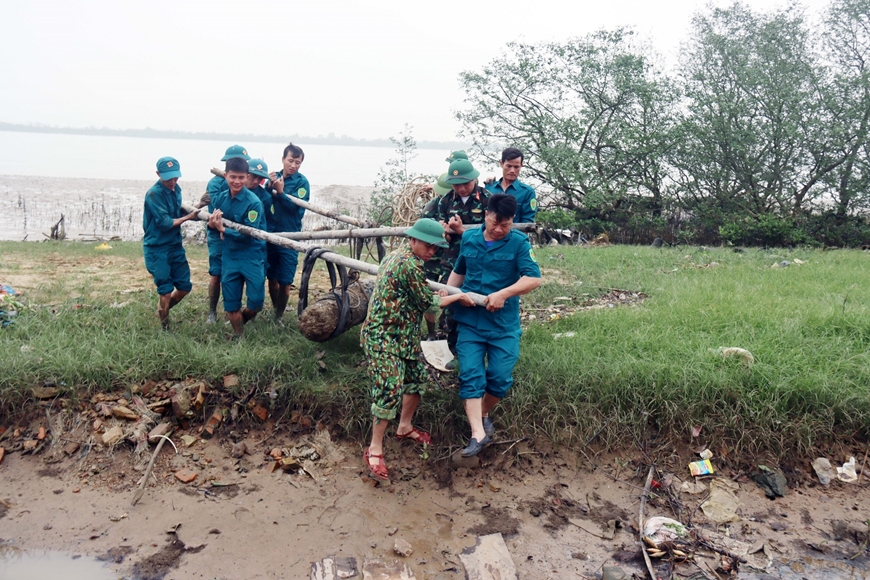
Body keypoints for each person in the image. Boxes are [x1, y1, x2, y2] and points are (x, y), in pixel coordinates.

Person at [360, 218, 474, 482]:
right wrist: (456, 296)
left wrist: (440, 297)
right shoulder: (408, 265)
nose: (431, 252)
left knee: (416, 380)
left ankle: (404, 426)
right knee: (389, 388)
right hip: (383, 337)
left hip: (402, 335)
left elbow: (420, 298)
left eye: (436, 248)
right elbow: (429, 305)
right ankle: (374, 449)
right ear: (413, 239)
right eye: (427, 245)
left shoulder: (397, 255)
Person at [446, 194, 542, 457]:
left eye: (506, 225)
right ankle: (477, 433)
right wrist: (448, 294)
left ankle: (484, 411)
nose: (499, 229)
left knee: (499, 379)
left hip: (503, 325)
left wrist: (503, 294)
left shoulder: (519, 243)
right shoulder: (469, 238)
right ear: (485, 215)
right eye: (495, 223)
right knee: (471, 376)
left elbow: (533, 279)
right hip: (470, 322)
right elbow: (460, 271)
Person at [434, 158, 490, 352]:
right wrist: (445, 232)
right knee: (449, 297)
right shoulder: (446, 201)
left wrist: (461, 231)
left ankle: (479, 343)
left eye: (466, 183)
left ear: (475, 179)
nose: (462, 189)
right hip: (452, 258)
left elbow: (491, 234)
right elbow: (442, 237)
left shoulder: (487, 199)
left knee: (478, 298)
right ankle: (452, 345)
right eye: (457, 185)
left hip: (479, 258)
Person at [207, 157, 266, 338]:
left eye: (241, 177)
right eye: (233, 177)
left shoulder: (254, 202)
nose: (237, 181)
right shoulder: (220, 199)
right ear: (225, 176)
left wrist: (223, 229)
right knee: (231, 304)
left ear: (247, 177)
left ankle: (242, 320)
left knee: (256, 302)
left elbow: (250, 232)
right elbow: (212, 226)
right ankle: (238, 336)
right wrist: (212, 225)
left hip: (251, 255)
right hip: (230, 256)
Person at [142, 157, 199, 330]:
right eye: (168, 178)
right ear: (158, 174)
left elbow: (177, 210)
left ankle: (162, 311)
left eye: (175, 177)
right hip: (157, 248)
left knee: (184, 287)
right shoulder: (154, 194)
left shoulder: (177, 189)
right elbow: (165, 223)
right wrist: (188, 218)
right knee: (165, 291)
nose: (172, 182)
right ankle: (165, 326)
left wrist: (196, 210)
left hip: (175, 246)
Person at [198, 144, 251, 324]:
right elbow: (217, 212)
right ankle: (212, 312)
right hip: (217, 233)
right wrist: (221, 229)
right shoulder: (215, 184)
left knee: (238, 273)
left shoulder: (246, 182)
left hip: (238, 234)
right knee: (216, 273)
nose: (237, 180)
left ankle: (233, 311)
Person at [266, 143, 310, 325]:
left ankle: (279, 316)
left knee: (285, 281)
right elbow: (261, 200)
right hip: (270, 234)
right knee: (272, 277)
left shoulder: (302, 183)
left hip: (290, 236)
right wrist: (268, 187)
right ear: (283, 159)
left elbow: (297, 209)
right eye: (290, 161)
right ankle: (275, 311)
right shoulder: (272, 177)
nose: (293, 165)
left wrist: (281, 193)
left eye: (297, 162)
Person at [484, 148, 537, 223]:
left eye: (516, 167)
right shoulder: (489, 187)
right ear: (501, 164)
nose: (512, 170)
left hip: (514, 233)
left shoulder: (527, 192)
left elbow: (527, 220)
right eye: (509, 166)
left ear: (521, 166)